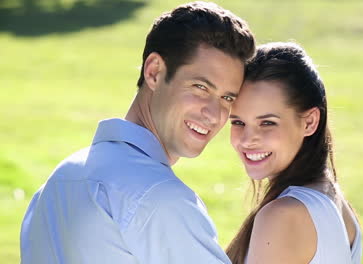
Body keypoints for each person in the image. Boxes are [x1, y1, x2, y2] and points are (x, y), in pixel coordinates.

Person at [20, 2, 255, 263]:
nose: (215, 114)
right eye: (200, 87)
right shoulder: (161, 199)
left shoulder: (58, 182)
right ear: (154, 72)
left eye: (227, 97)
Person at [226, 42, 362, 264]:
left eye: (268, 123)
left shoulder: (283, 215)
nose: (247, 139)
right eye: (238, 122)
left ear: (310, 122)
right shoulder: (331, 195)